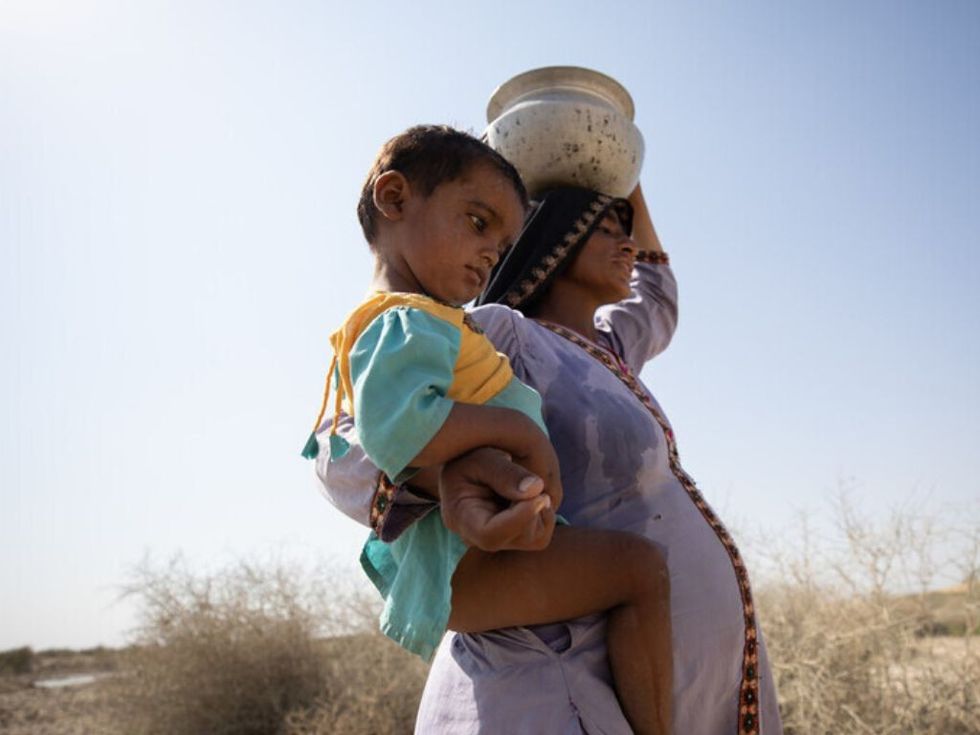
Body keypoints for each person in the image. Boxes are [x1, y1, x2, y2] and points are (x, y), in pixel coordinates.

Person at [317, 170, 783, 733]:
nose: (627, 244)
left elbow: (658, 298)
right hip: (551, 684)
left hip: (686, 687)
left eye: (626, 230)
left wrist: (627, 176)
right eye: (606, 228)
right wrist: (449, 473)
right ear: (557, 242)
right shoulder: (503, 336)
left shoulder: (608, 352)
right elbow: (339, 440)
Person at [303, 125, 673, 734]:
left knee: (633, 573)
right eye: (477, 224)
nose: (487, 256)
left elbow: (658, 305)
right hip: (470, 564)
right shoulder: (422, 324)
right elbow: (386, 434)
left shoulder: (447, 327)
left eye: (501, 248)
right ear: (394, 200)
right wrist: (515, 439)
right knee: (639, 570)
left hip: (491, 554)